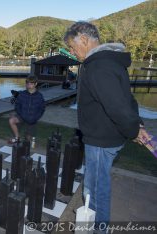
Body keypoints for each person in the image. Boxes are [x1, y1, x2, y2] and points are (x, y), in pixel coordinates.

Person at [63, 22, 149, 231]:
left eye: (72, 47)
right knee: (96, 186)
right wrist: (137, 124)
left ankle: (99, 229)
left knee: (95, 190)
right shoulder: (110, 62)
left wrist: (134, 130)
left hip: (101, 139)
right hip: (107, 135)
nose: (72, 53)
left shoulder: (99, 66)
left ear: (83, 39)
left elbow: (118, 107)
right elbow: (128, 99)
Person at [9, 75, 45, 145]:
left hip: (32, 119)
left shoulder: (39, 96)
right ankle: (17, 138)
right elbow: (17, 106)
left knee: (28, 141)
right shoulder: (22, 94)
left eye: (31, 83)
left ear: (36, 84)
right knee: (11, 120)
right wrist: (22, 115)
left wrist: (36, 118)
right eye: (27, 83)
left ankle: (27, 138)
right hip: (22, 116)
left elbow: (42, 109)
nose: (29, 85)